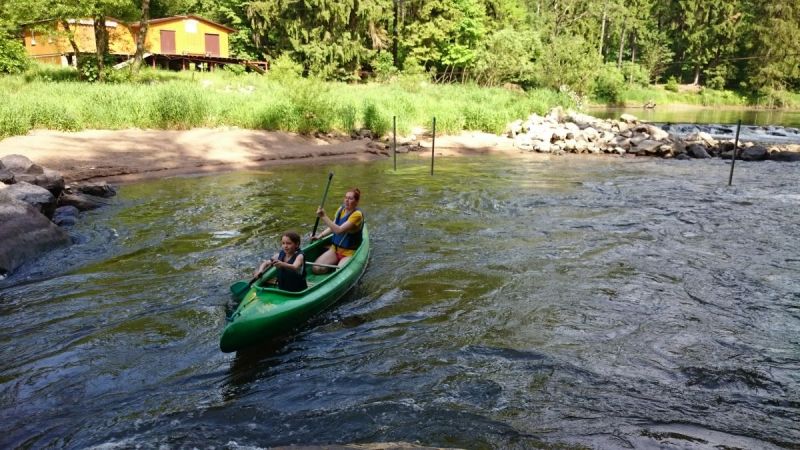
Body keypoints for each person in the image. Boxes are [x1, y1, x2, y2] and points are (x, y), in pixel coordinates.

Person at [310, 188, 364, 274]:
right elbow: (333, 226)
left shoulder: (357, 215)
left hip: (349, 253)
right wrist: (320, 236)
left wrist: (324, 216)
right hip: (335, 249)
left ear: (356, 202)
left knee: (340, 272)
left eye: (350, 198)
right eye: (346, 197)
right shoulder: (340, 209)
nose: (347, 200)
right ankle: (331, 266)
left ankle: (336, 268)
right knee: (316, 269)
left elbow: (339, 231)